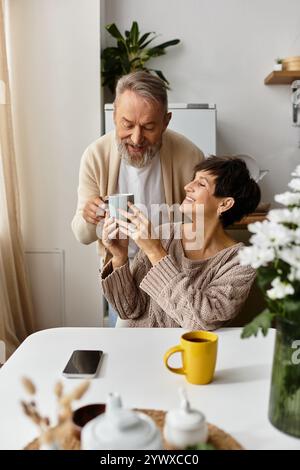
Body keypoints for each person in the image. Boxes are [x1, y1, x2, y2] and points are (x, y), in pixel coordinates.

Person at [71, 71, 204, 326]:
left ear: (166, 122)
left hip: (172, 272)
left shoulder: (189, 156)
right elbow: (81, 235)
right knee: (125, 352)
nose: (136, 138)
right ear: (114, 117)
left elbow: (203, 230)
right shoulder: (95, 156)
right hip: (123, 275)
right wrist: (89, 217)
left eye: (149, 127)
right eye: (127, 125)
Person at [100, 156, 261, 329]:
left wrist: (156, 252)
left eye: (201, 184)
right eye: (193, 180)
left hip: (188, 353)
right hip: (139, 344)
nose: (187, 187)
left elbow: (201, 321)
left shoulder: (241, 262)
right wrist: (119, 257)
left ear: (225, 203)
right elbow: (129, 310)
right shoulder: (164, 234)